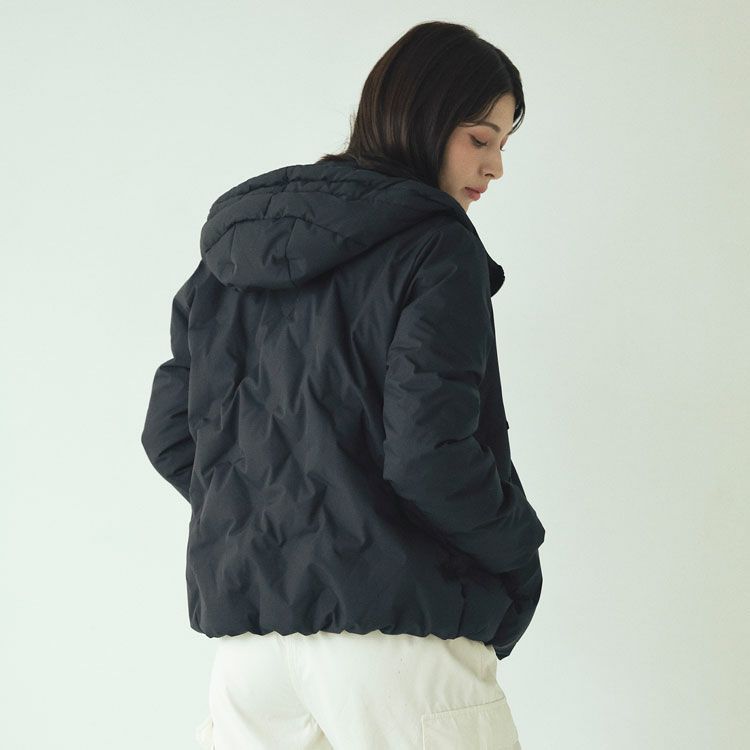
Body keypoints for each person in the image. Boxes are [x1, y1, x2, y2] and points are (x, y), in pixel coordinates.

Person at [141, 19, 546, 750]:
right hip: (397, 641)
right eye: (479, 138)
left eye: (503, 145)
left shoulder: (238, 247)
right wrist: (519, 550)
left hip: (252, 654)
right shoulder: (435, 243)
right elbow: (430, 453)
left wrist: (276, 521)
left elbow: (173, 431)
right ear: (422, 118)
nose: (494, 167)